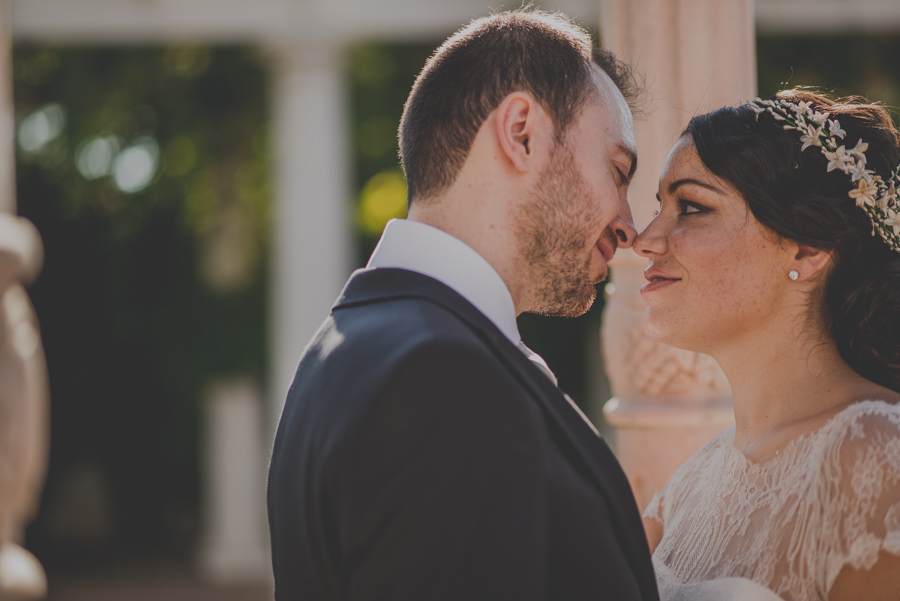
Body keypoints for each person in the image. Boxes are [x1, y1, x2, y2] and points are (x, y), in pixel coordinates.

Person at [267, 9, 659, 601]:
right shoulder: (443, 377)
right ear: (522, 132)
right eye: (618, 171)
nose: (629, 226)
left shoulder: (347, 347)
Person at [635, 89, 900, 601]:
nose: (646, 237)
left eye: (690, 206)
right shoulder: (685, 491)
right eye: (659, 207)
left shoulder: (876, 454)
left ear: (808, 246)